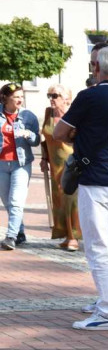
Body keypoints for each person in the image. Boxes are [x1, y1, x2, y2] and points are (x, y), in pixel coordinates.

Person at [53, 46, 108, 329]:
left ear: (98, 67)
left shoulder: (91, 95)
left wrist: (77, 134)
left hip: (94, 177)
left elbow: (59, 132)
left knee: (98, 247)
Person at [40, 84, 80, 251]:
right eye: (49, 95)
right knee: (59, 201)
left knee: (70, 199)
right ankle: (65, 234)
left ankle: (73, 237)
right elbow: (45, 138)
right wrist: (43, 157)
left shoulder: (73, 116)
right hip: (54, 164)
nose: (51, 99)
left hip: (70, 162)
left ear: (66, 99)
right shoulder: (48, 113)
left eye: (55, 95)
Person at [0, 83, 39, 250]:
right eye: (16, 97)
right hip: (1, 164)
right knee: (8, 202)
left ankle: (11, 236)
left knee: (16, 201)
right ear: (6, 98)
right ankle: (20, 232)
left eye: (21, 97)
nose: (20, 100)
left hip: (21, 164)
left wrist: (28, 134)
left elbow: (37, 140)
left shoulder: (28, 116)